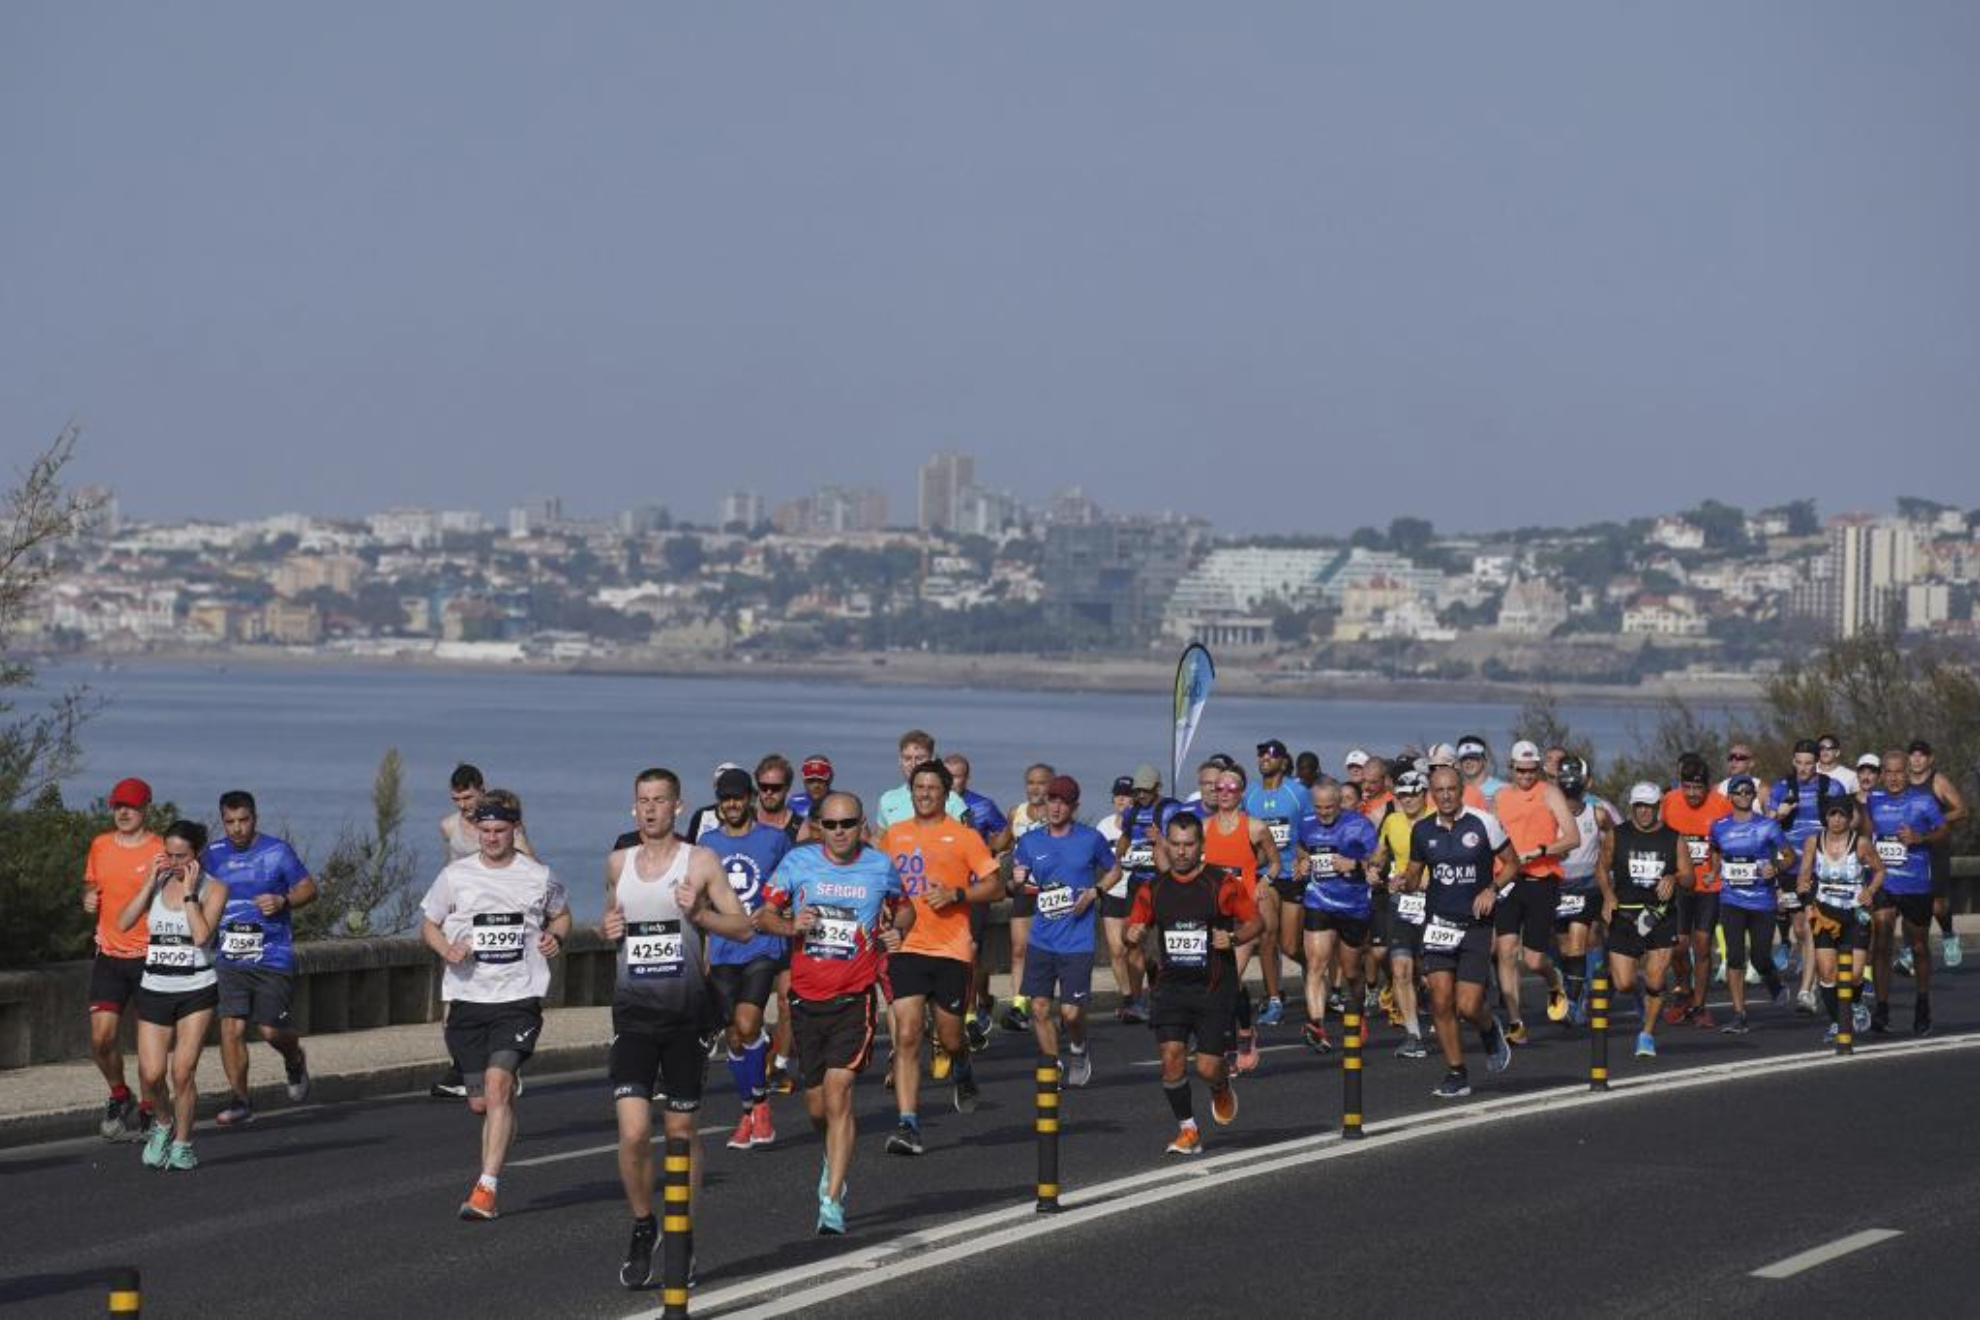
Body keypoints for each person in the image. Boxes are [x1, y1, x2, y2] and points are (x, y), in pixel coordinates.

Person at [603, 769, 753, 1290]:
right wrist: (610, 930)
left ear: (676, 806)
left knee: (681, 1134)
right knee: (634, 1132)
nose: (649, 809)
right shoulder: (618, 863)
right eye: (642, 801)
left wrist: (703, 915)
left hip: (687, 1017)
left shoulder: (701, 862)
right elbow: (614, 920)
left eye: (659, 801)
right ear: (633, 808)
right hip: (633, 1017)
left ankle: (681, 1234)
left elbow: (743, 924)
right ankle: (645, 1224)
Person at [755, 792, 912, 1235]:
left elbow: (906, 907)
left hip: (854, 997)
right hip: (807, 999)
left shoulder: (879, 865)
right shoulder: (798, 863)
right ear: (818, 826)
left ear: (862, 824)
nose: (840, 832)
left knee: (840, 1092)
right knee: (818, 1105)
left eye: (847, 823)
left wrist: (896, 932)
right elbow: (763, 914)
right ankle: (832, 1149)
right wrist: (790, 926)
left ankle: (832, 1198)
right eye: (831, 824)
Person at [419, 794, 572, 1221]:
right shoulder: (455, 876)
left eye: (499, 831)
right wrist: (446, 948)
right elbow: (428, 923)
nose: (490, 838)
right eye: (484, 831)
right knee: (480, 1102)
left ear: (514, 830)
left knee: (498, 1084)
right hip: (468, 999)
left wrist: (555, 938)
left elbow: (562, 916)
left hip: (518, 998)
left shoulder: (538, 877)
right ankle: (499, 1109)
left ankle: (487, 1187)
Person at [879, 761, 1003, 1155]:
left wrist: (958, 895)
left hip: (951, 949)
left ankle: (963, 1069)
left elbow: (996, 887)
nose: (925, 793)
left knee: (950, 1037)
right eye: (919, 786)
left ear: (946, 793)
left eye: (933, 787)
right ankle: (908, 1125)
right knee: (906, 1033)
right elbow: (878, 883)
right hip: (908, 946)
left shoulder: (964, 837)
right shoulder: (893, 836)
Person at [1123, 813, 1258, 1155]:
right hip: (1170, 989)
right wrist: (1132, 934)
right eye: (1176, 845)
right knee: (1171, 1057)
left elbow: (1256, 922)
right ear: (1166, 845)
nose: (1181, 852)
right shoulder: (1153, 889)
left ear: (1201, 846)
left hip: (1213, 987)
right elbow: (1133, 929)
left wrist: (1233, 936)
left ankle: (1220, 1086)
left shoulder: (1222, 884)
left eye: (1189, 845)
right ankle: (1188, 1130)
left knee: (1208, 1067)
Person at [116, 820, 227, 1170]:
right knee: (150, 1075)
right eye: (169, 854)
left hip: (196, 989)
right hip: (155, 989)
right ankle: (163, 1125)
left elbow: (201, 938)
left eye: (182, 856)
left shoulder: (215, 889)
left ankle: (183, 1143)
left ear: (198, 854)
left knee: (182, 1072)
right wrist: (150, 881)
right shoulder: (159, 881)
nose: (174, 862)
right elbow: (123, 922)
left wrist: (192, 891)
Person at [694, 768, 794, 1152]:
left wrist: (786, 922)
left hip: (762, 945)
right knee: (734, 1036)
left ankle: (758, 1107)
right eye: (725, 798)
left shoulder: (774, 839)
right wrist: (702, 949)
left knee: (748, 1021)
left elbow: (791, 884)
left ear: (750, 798)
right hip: (721, 948)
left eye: (738, 797)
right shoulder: (707, 843)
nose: (731, 804)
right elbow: (700, 901)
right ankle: (752, 1107)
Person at [1401, 767, 1515, 1099]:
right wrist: (1402, 881)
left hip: (1475, 924)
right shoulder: (1422, 830)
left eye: (1452, 789)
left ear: (1461, 790)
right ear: (1431, 794)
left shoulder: (1484, 823)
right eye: (1440, 790)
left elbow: (1512, 863)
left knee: (1468, 1005)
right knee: (1440, 1000)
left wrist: (1492, 889)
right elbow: (1414, 872)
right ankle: (1457, 1072)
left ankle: (1488, 1027)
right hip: (1438, 923)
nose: (1446, 795)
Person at [203, 791, 315, 1127]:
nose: (237, 829)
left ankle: (294, 1058)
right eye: (230, 822)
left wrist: (283, 900)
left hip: (272, 954)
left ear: (255, 818)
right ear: (222, 821)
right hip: (229, 957)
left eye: (243, 820)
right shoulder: (212, 855)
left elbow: (309, 888)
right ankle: (240, 1099)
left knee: (270, 1031)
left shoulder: (276, 851)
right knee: (231, 1028)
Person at [432, 764, 533, 1100]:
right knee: (453, 1000)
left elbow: (529, 865)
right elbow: (450, 866)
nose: (463, 804)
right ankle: (463, 1066)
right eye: (457, 798)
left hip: (500, 918)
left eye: (468, 796)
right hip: (461, 921)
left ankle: (502, 1069)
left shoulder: (502, 825)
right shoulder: (448, 826)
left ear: (481, 791)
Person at [1012, 775, 1117, 1087]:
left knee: (1071, 1013)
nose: (1056, 807)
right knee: (1040, 1008)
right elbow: (1018, 885)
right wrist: (1017, 880)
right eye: (1052, 800)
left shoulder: (1090, 839)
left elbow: (1114, 870)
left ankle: (1078, 1047)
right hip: (1042, 939)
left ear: (1075, 806)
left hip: (1077, 941)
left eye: (1063, 802)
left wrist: (1096, 893)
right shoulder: (1029, 842)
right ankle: (1052, 1064)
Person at [82, 776, 162, 1140]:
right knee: (101, 1039)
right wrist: (88, 899)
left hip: (150, 956)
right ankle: (120, 1094)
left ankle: (150, 1105)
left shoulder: (162, 849)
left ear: (146, 808)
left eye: (130, 806)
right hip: (110, 955)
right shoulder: (100, 845)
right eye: (118, 806)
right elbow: (92, 886)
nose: (123, 812)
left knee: (150, 1048)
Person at [1491, 741, 1578, 1042]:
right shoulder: (1500, 797)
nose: (1526, 776)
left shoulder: (1550, 793)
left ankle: (1555, 983)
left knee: (1533, 960)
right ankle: (1515, 1022)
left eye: (1531, 770)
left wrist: (1540, 851)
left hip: (1543, 878)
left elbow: (1573, 838)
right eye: (1521, 770)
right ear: (1511, 768)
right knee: (1505, 951)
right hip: (1509, 879)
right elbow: (1490, 837)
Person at [1599, 784, 1689, 1059]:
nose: (1643, 811)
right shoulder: (1618, 835)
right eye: (1638, 805)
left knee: (1656, 978)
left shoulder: (1673, 839)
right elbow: (1601, 867)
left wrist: (1673, 878)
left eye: (1648, 806)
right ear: (1631, 806)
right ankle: (1638, 994)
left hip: (1658, 915)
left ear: (1657, 806)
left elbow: (1689, 877)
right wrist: (1607, 895)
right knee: (1624, 982)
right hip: (1625, 914)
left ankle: (1646, 1034)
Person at [1865, 749, 1950, 1035]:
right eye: (1887, 772)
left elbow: (1944, 831)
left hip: (1915, 884)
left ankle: (1923, 1003)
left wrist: (1920, 837)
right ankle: (1882, 1008)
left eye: (1898, 772)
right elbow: (1865, 836)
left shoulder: (1923, 800)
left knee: (1918, 947)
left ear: (1907, 774)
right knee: (1882, 936)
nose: (1892, 778)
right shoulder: (1873, 800)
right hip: (1885, 883)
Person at [1200, 766, 1279, 1072]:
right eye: (1219, 788)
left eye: (1230, 788)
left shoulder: (1255, 827)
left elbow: (1274, 863)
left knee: (1226, 982)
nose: (1224, 793)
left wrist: (1263, 882)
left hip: (1243, 917)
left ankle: (1232, 1045)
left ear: (1241, 793)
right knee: (1221, 982)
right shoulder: (1204, 828)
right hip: (1212, 915)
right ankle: (1244, 1029)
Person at [1293, 781, 1379, 1054]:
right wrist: (1303, 862)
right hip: (1319, 899)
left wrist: (1355, 864)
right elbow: (1301, 848)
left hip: (1353, 905)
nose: (1324, 814)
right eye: (1318, 808)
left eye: (1329, 807)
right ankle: (1316, 1025)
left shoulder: (1359, 825)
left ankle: (1358, 1012)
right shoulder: (1307, 822)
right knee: (1316, 963)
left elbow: (1378, 860)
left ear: (1340, 802)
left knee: (1352, 972)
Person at [1795, 797, 1885, 1046]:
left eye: (1842, 815)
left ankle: (1855, 1003)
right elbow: (1804, 871)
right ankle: (1837, 1021)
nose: (1836, 820)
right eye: (1832, 814)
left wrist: (1871, 890)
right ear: (1826, 816)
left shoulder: (1862, 843)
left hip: (1855, 913)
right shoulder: (1814, 841)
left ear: (1849, 818)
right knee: (1827, 972)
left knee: (1855, 975)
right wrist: (1804, 889)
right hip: (1824, 912)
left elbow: (1880, 870)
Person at [1708, 775, 1794, 1034]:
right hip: (1731, 899)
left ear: (1754, 796)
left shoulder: (1768, 826)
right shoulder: (1719, 826)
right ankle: (1739, 1014)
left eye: (1748, 792)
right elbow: (1715, 849)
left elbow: (1789, 855)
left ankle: (1774, 981)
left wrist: (1776, 868)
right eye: (1739, 792)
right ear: (1730, 797)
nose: (1744, 796)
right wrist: (1714, 871)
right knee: (1734, 957)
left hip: (1761, 902)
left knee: (1758, 958)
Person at [1768, 740, 1842, 1013]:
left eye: (1809, 763)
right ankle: (1819, 971)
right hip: (1789, 865)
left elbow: (1845, 820)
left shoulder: (1831, 787)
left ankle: (1806, 990)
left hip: (1819, 865)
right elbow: (1767, 824)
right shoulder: (1781, 787)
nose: (1803, 768)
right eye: (1798, 762)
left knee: (1812, 925)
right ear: (1793, 761)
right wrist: (1780, 813)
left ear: (1818, 762)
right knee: (1800, 928)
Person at [1244, 738, 1312, 1027]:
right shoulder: (1251, 796)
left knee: (1289, 945)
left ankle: (1315, 969)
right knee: (1267, 937)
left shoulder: (1298, 793)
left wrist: (1306, 858)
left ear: (1284, 761)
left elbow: (1312, 831)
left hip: (1293, 875)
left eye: (1271, 754)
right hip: (1266, 876)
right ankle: (1273, 1000)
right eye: (1260, 753)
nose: (1264, 757)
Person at [1661, 756, 1733, 1028]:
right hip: (1679, 885)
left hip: (1709, 886)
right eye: (1687, 787)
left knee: (1702, 945)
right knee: (1678, 947)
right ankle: (1684, 992)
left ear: (1707, 786)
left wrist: (1719, 867)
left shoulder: (1720, 804)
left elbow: (1729, 841)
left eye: (1697, 788)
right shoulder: (1669, 801)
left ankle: (1700, 1006)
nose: (1692, 794)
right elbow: (1661, 837)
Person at [1107, 766, 1182, 1023]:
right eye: (1137, 790)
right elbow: (1126, 838)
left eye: (1145, 791)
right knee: (1130, 939)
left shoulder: (1171, 810)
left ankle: (1164, 995)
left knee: (1163, 946)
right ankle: (1137, 1001)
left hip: (1163, 884)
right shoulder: (1132, 812)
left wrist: (1160, 839)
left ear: (1157, 788)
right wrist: (1116, 858)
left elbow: (1182, 845)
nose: (1140, 795)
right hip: (1138, 884)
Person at [1370, 769, 1435, 1057]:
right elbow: (1379, 853)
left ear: (1424, 793)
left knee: (1435, 973)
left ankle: (1443, 1016)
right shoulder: (1392, 821)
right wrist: (1372, 868)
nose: (1408, 800)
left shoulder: (1438, 818)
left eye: (1413, 794)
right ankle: (1413, 1035)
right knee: (1400, 968)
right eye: (1402, 795)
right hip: (1403, 903)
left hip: (1436, 903)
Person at [1553, 756, 1614, 1026]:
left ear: (1586, 784)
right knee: (1565, 948)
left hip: (1587, 886)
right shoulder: (1550, 814)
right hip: (1557, 887)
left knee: (1581, 941)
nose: (1571, 790)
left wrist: (1607, 865)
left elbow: (1613, 836)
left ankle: (1577, 1003)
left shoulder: (1597, 813)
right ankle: (1574, 990)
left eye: (1575, 785)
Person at [1907, 739, 1968, 971]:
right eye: (1913, 754)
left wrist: (1934, 823)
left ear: (1930, 759)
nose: (1917, 759)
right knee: (1909, 901)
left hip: (1935, 848)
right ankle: (1910, 952)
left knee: (1937, 906)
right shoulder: (1900, 781)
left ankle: (1949, 935)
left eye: (1922, 755)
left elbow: (1961, 810)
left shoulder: (1938, 781)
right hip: (1910, 849)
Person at [752, 754, 804, 839]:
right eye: (764, 787)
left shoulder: (801, 828)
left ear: (788, 787)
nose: (769, 792)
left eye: (775, 787)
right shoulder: (746, 822)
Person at [1455, 735, 1503, 811]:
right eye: (1464, 758)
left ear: (1484, 760)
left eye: (1473, 757)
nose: (1468, 762)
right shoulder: (1455, 792)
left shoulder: (1502, 789)